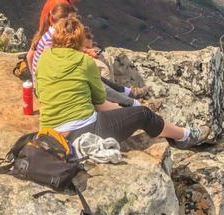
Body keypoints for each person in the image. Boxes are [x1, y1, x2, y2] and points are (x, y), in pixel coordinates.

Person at [33, 14, 189, 151]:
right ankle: (185, 136)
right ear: (79, 39)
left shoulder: (43, 59)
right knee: (143, 114)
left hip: (49, 134)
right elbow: (101, 104)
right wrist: (128, 108)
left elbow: (40, 94)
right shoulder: (84, 61)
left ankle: (181, 133)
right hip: (83, 131)